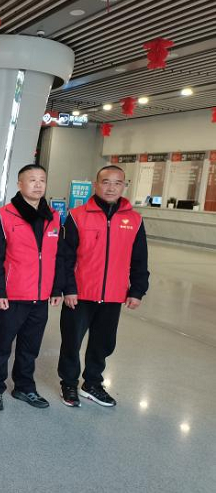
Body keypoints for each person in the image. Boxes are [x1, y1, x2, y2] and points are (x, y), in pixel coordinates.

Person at [57, 165, 149, 408]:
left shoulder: (134, 220)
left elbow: (140, 258)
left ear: (124, 186)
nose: (111, 187)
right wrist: (69, 288)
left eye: (117, 183)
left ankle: (92, 384)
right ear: (96, 185)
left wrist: (137, 290)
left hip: (113, 295)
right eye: (106, 182)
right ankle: (69, 383)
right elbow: (65, 256)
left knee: (103, 343)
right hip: (80, 294)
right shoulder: (77, 215)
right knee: (71, 341)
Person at [0, 164, 63, 411]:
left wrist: (56, 289)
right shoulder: (4, 216)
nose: (38, 185)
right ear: (19, 184)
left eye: (42, 180)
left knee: (30, 347)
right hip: (12, 295)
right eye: (32, 180)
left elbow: (58, 257)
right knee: (1, 345)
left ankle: (24, 387)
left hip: (40, 296)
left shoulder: (54, 217)